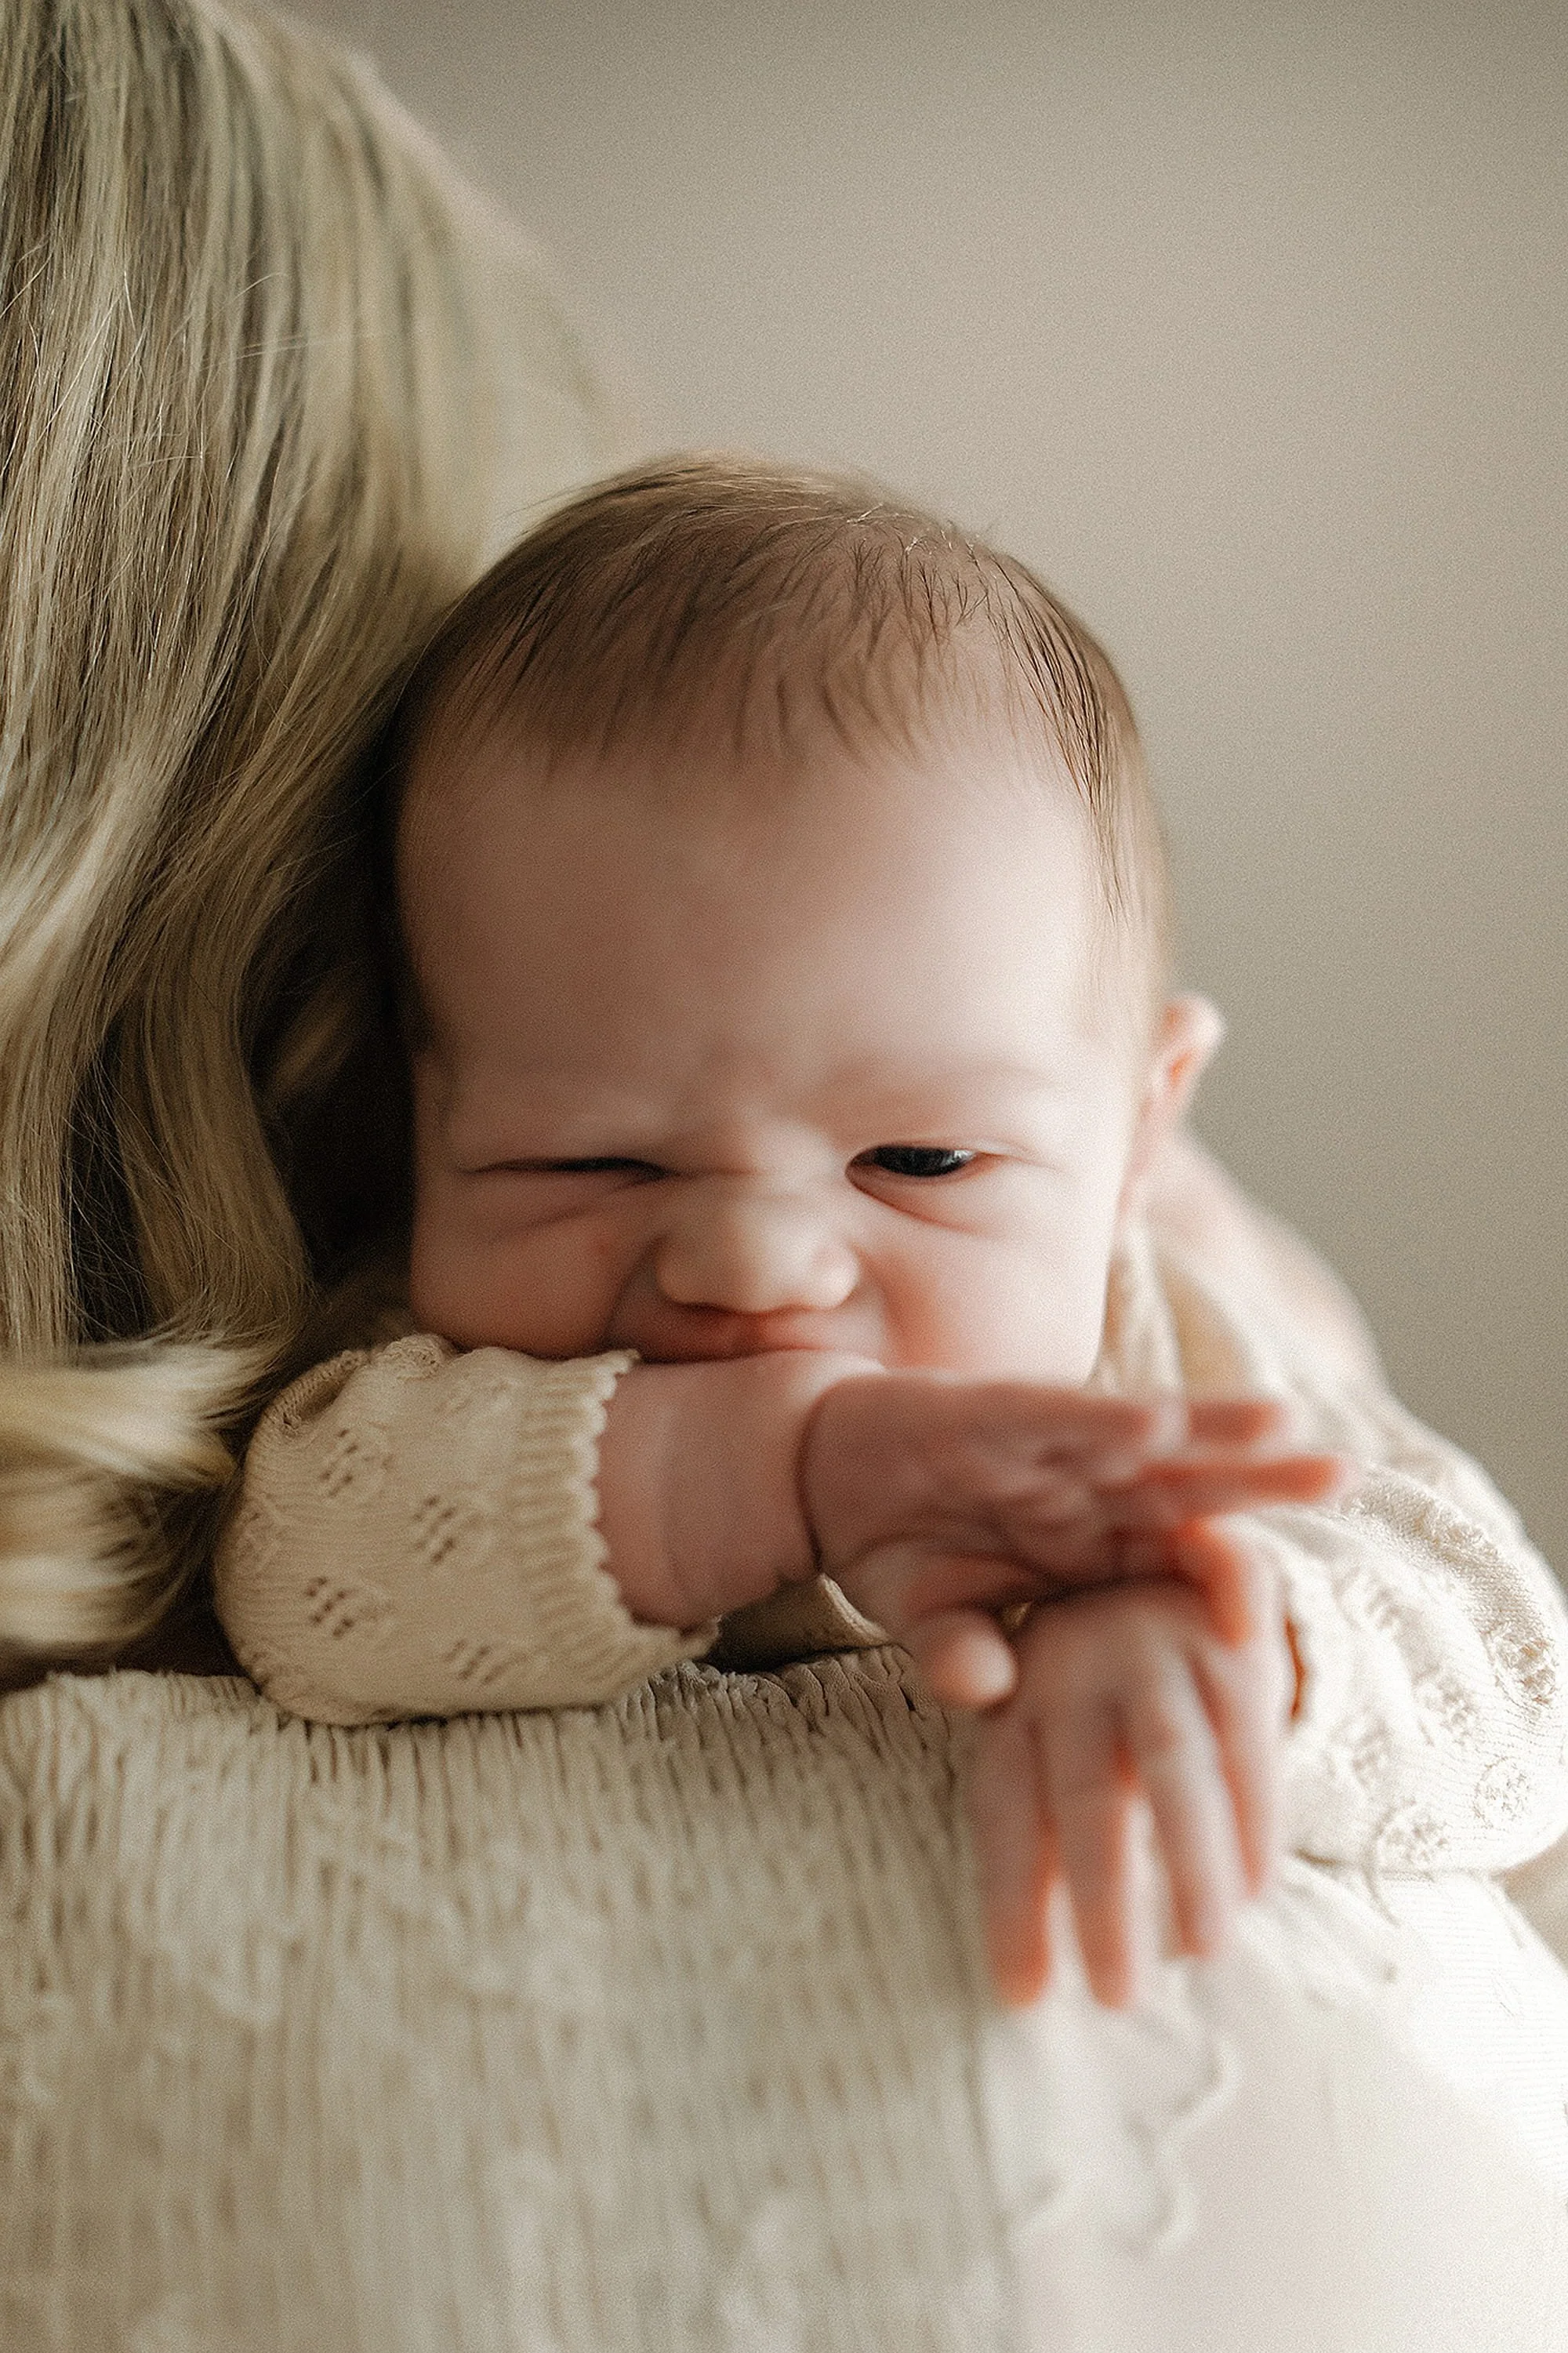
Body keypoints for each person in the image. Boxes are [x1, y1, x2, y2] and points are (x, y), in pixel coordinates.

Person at [5, 5, 1568, 2348]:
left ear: (1139, 1129)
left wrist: (1223, 1616)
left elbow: (1499, 1662)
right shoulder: (436, 1386)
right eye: (587, 1150)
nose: (741, 1253)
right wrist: (778, 1472)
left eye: (922, 1155)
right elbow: (329, 1580)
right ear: (414, 1118)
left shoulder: (1180, 1334)